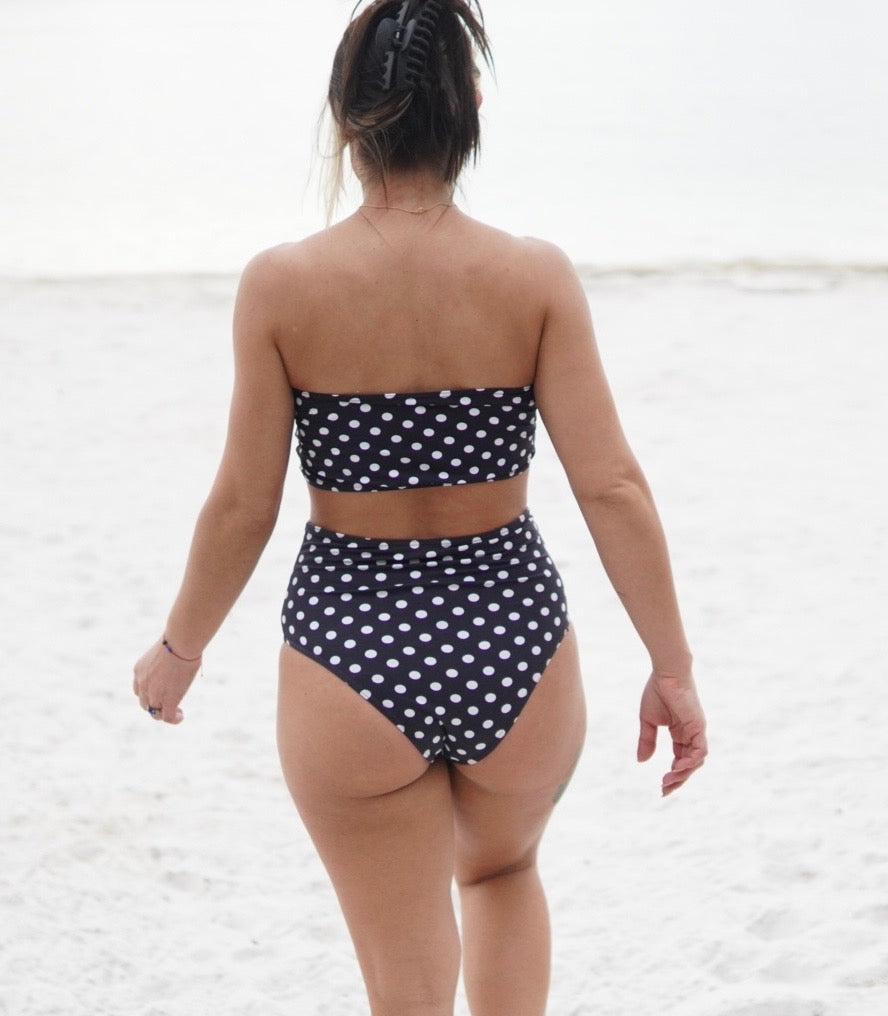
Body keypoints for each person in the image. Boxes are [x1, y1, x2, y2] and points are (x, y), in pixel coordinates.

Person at [133, 1, 707, 1013]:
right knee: (501, 874)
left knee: (404, 987)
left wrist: (180, 647)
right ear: (471, 106)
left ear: (346, 119)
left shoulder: (282, 286)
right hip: (514, 645)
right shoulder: (534, 278)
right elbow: (612, 484)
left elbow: (240, 505)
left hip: (350, 652)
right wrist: (672, 665)